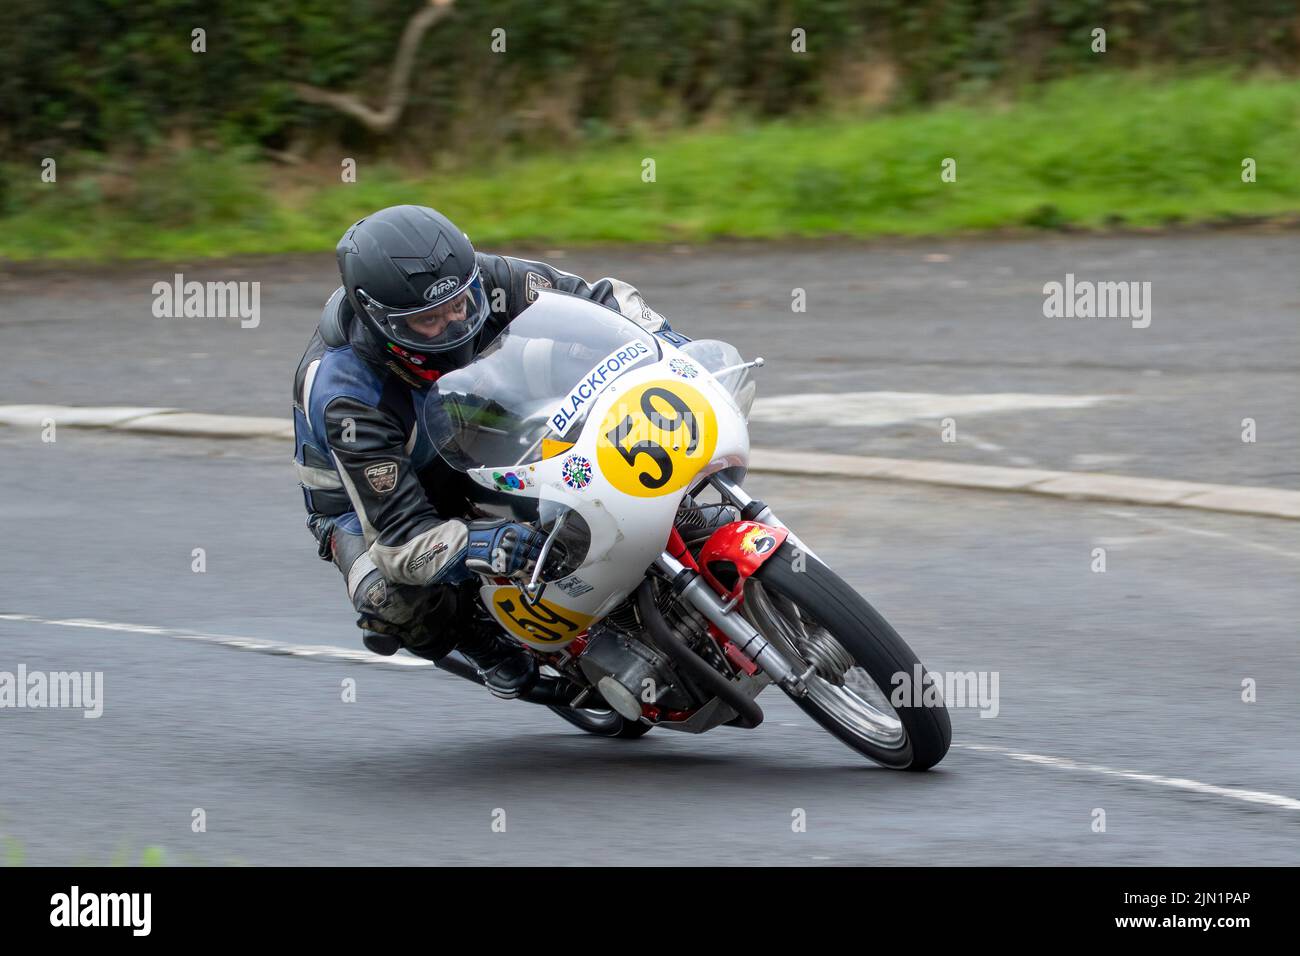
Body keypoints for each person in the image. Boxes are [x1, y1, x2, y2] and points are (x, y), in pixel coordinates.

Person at [291, 205, 689, 697]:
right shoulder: (346, 395)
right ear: (380, 320)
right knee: (388, 596)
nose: (454, 324)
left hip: (465, 414)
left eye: (459, 306)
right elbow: (398, 540)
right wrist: (481, 544)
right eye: (428, 321)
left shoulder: (474, 277)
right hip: (370, 504)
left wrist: (669, 346)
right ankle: (480, 642)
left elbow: (598, 298)